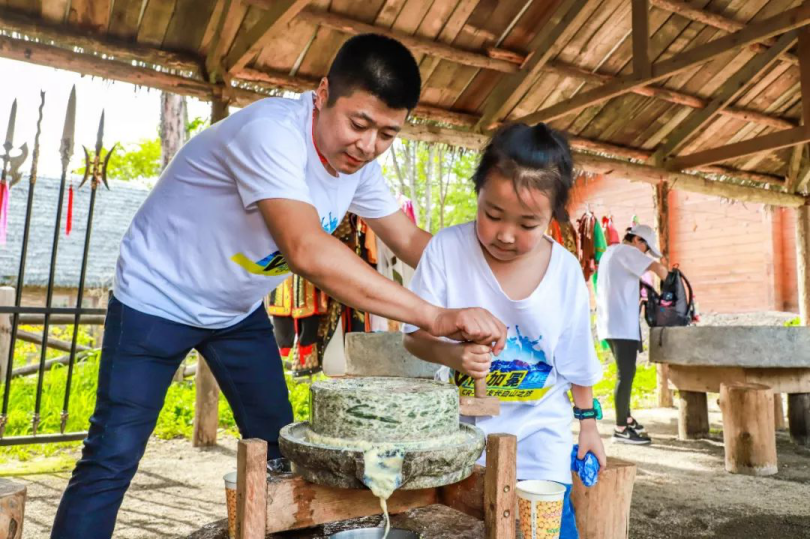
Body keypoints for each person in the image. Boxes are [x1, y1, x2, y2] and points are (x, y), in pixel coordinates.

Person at [51, 34, 507, 539]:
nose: (368, 146)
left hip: (235, 311)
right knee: (113, 456)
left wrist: (494, 290)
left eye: (387, 134)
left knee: (280, 450)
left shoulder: (360, 168)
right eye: (358, 124)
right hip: (155, 298)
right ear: (322, 93)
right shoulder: (270, 133)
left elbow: (412, 241)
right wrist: (436, 316)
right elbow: (306, 251)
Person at [403, 123, 606, 540]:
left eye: (528, 224)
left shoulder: (565, 271)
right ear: (478, 193)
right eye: (492, 215)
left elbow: (576, 359)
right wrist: (453, 355)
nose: (506, 235)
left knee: (544, 531)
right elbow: (413, 336)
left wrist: (588, 425)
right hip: (461, 438)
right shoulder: (446, 249)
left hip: (541, 435)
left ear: (553, 216)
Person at [596, 224, 668, 445]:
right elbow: (658, 268)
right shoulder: (626, 251)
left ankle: (626, 418)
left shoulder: (611, 252)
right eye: (646, 248)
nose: (645, 254)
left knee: (626, 372)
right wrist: (672, 284)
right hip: (621, 325)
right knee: (625, 374)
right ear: (637, 240)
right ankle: (620, 429)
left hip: (611, 323)